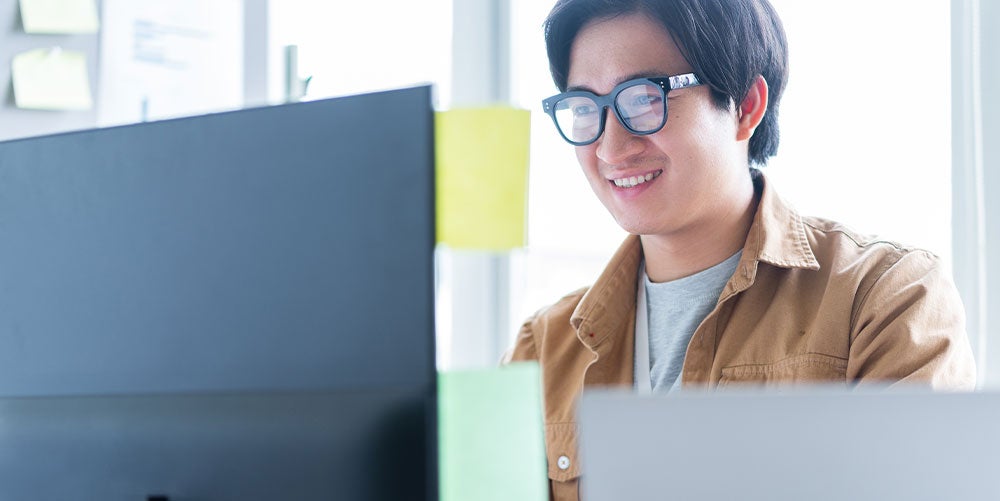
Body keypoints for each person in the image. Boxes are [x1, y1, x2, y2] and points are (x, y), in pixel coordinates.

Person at [502, 0, 977, 499]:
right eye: (585, 108)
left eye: (642, 99)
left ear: (747, 104)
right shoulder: (544, 348)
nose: (610, 147)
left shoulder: (883, 300)